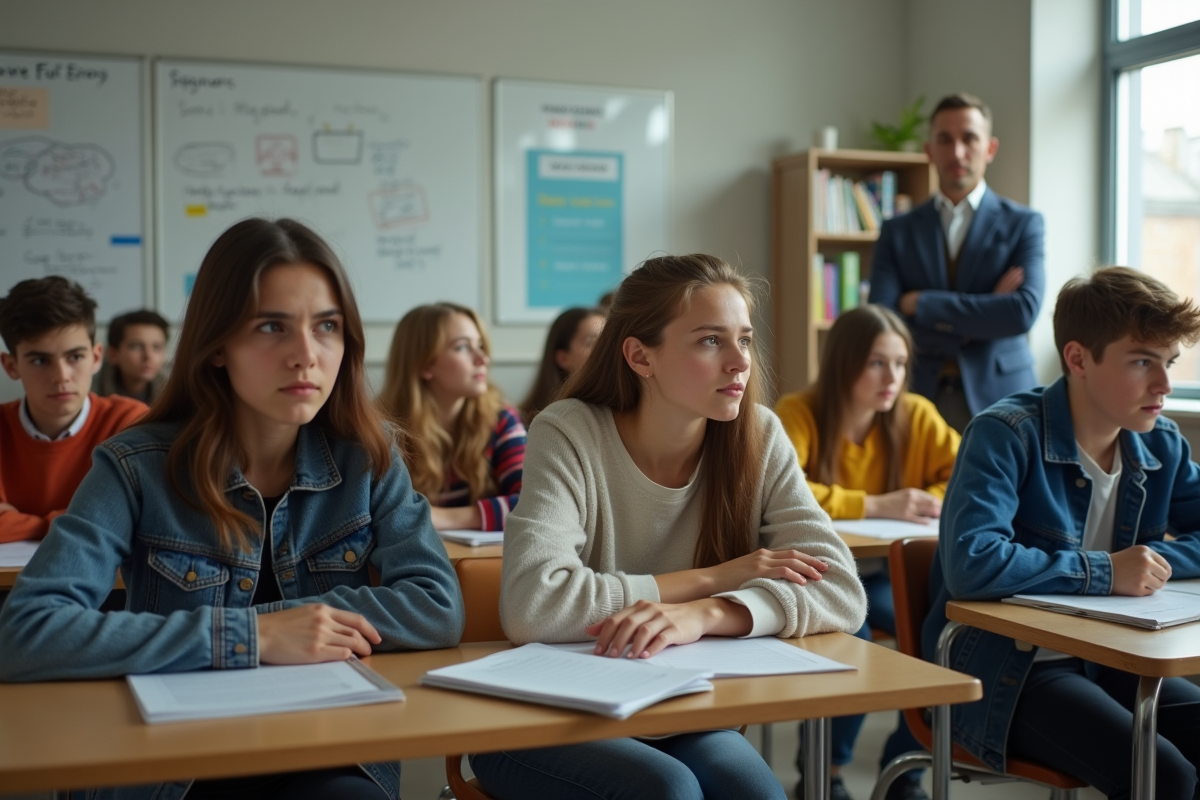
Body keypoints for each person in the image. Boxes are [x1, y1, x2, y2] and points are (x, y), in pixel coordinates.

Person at [0, 218, 465, 800]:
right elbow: (27, 632)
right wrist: (252, 635)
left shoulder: (369, 456)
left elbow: (436, 606)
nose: (306, 355)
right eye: (272, 326)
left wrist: (301, 623)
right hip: (177, 764)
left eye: (326, 326)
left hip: (325, 746)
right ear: (217, 345)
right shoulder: (135, 465)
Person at [471, 254, 867, 800]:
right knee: (668, 789)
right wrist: (712, 578)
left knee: (757, 793)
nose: (740, 362)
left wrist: (705, 614)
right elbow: (533, 604)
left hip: (677, 705)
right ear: (640, 356)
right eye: (710, 341)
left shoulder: (759, 435)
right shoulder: (567, 431)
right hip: (548, 713)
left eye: (745, 340)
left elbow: (841, 590)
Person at [923, 267, 1200, 800]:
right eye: (1142, 362)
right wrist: (1108, 571)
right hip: (1010, 668)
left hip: (1112, 658)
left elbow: (1154, 560)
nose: (1164, 386)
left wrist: (1149, 563)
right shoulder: (1005, 433)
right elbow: (971, 563)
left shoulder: (1161, 443)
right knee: (1167, 776)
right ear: (1078, 359)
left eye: (1168, 363)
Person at [775, 304, 960, 800]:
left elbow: (967, 476)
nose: (892, 378)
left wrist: (925, 500)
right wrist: (878, 503)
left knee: (943, 632)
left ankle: (905, 770)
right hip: (820, 574)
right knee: (853, 637)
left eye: (900, 364)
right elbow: (784, 490)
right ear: (844, 362)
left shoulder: (916, 414)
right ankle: (825, 771)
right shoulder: (798, 412)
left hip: (887, 575)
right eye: (877, 363)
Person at [868, 92, 1045, 432]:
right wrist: (987, 310)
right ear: (929, 150)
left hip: (1004, 398)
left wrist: (920, 303)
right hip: (917, 394)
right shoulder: (897, 230)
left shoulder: (1023, 224)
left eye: (969, 138)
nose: (957, 152)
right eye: (945, 140)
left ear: (990, 148)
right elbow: (882, 319)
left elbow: (1022, 312)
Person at [0, 277, 146, 543]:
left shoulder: (130, 422)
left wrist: (23, 523)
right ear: (11, 366)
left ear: (96, 357)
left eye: (75, 357)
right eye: (40, 360)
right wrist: (83, 518)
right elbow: (108, 518)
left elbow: (139, 518)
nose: (61, 376)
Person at [378, 303, 525, 532]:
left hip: (482, 555)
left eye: (480, 345)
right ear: (424, 364)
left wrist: (442, 518)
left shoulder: (501, 420)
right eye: (462, 347)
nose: (482, 359)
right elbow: (370, 511)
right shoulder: (380, 429)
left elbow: (537, 503)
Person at [520, 306, 605, 423]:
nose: (604, 350)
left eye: (606, 341)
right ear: (563, 358)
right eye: (591, 342)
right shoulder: (524, 422)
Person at [94, 309, 170, 404]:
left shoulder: (173, 394)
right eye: (136, 346)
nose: (148, 356)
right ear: (113, 354)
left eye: (156, 347)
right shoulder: (90, 393)